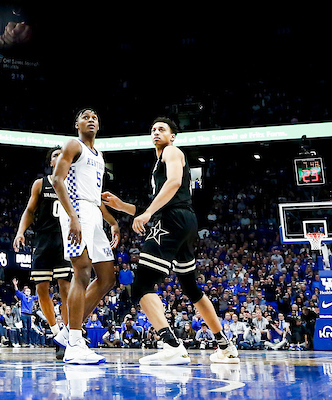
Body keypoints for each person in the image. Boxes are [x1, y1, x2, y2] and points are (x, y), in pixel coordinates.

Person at [101, 117, 239, 366]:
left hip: (171, 221)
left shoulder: (172, 151)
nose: (156, 131)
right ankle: (225, 347)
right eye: (153, 129)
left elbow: (174, 184)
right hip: (184, 221)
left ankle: (172, 345)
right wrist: (123, 207)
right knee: (191, 288)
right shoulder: (161, 161)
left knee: (142, 284)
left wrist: (148, 214)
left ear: (173, 136)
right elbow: (164, 201)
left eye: (162, 129)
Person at [50, 108, 121, 365]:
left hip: (93, 211)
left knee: (107, 277)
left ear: (99, 126)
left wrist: (111, 221)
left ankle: (69, 332)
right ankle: (75, 344)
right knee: (81, 273)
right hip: (76, 209)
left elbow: (96, 196)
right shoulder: (73, 145)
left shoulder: (99, 155)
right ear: (77, 124)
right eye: (85, 116)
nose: (91, 119)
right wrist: (74, 217)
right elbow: (57, 180)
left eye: (94, 117)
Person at [13, 146, 73, 355]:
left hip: (65, 241)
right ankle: (56, 331)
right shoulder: (41, 184)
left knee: (66, 290)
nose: (59, 157)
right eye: (55, 155)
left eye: (62, 154)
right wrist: (21, 231)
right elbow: (29, 211)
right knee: (41, 290)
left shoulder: (73, 183)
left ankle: (68, 337)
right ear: (50, 162)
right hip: (43, 241)